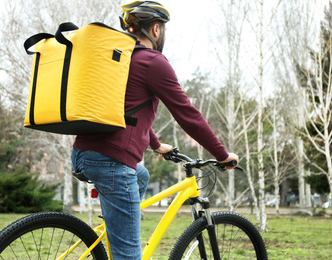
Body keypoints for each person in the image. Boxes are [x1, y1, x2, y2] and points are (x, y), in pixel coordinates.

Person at [71, 1, 239, 259]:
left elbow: (126, 111)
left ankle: (117, 222)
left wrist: (156, 144)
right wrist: (221, 154)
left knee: (141, 176)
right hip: (112, 162)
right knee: (129, 255)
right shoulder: (152, 62)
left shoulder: (120, 59)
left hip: (84, 153)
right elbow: (188, 115)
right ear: (157, 29)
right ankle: (122, 234)